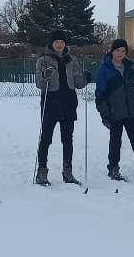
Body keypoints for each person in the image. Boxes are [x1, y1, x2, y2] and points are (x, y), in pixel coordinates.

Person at [34, 30, 90, 186]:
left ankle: (68, 172)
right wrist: (45, 75)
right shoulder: (43, 60)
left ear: (65, 44)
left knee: (68, 139)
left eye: (62, 42)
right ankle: (42, 172)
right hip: (51, 102)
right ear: (51, 44)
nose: (59, 44)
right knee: (46, 138)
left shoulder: (72, 60)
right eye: (56, 42)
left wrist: (85, 79)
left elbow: (78, 83)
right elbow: (39, 83)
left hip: (68, 102)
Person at [95, 39, 134, 181]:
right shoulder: (104, 70)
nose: (120, 53)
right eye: (117, 50)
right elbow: (100, 94)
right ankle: (113, 168)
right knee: (115, 142)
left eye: (123, 51)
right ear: (112, 51)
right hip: (115, 112)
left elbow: (133, 90)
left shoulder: (129, 68)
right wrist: (105, 113)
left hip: (131, 112)